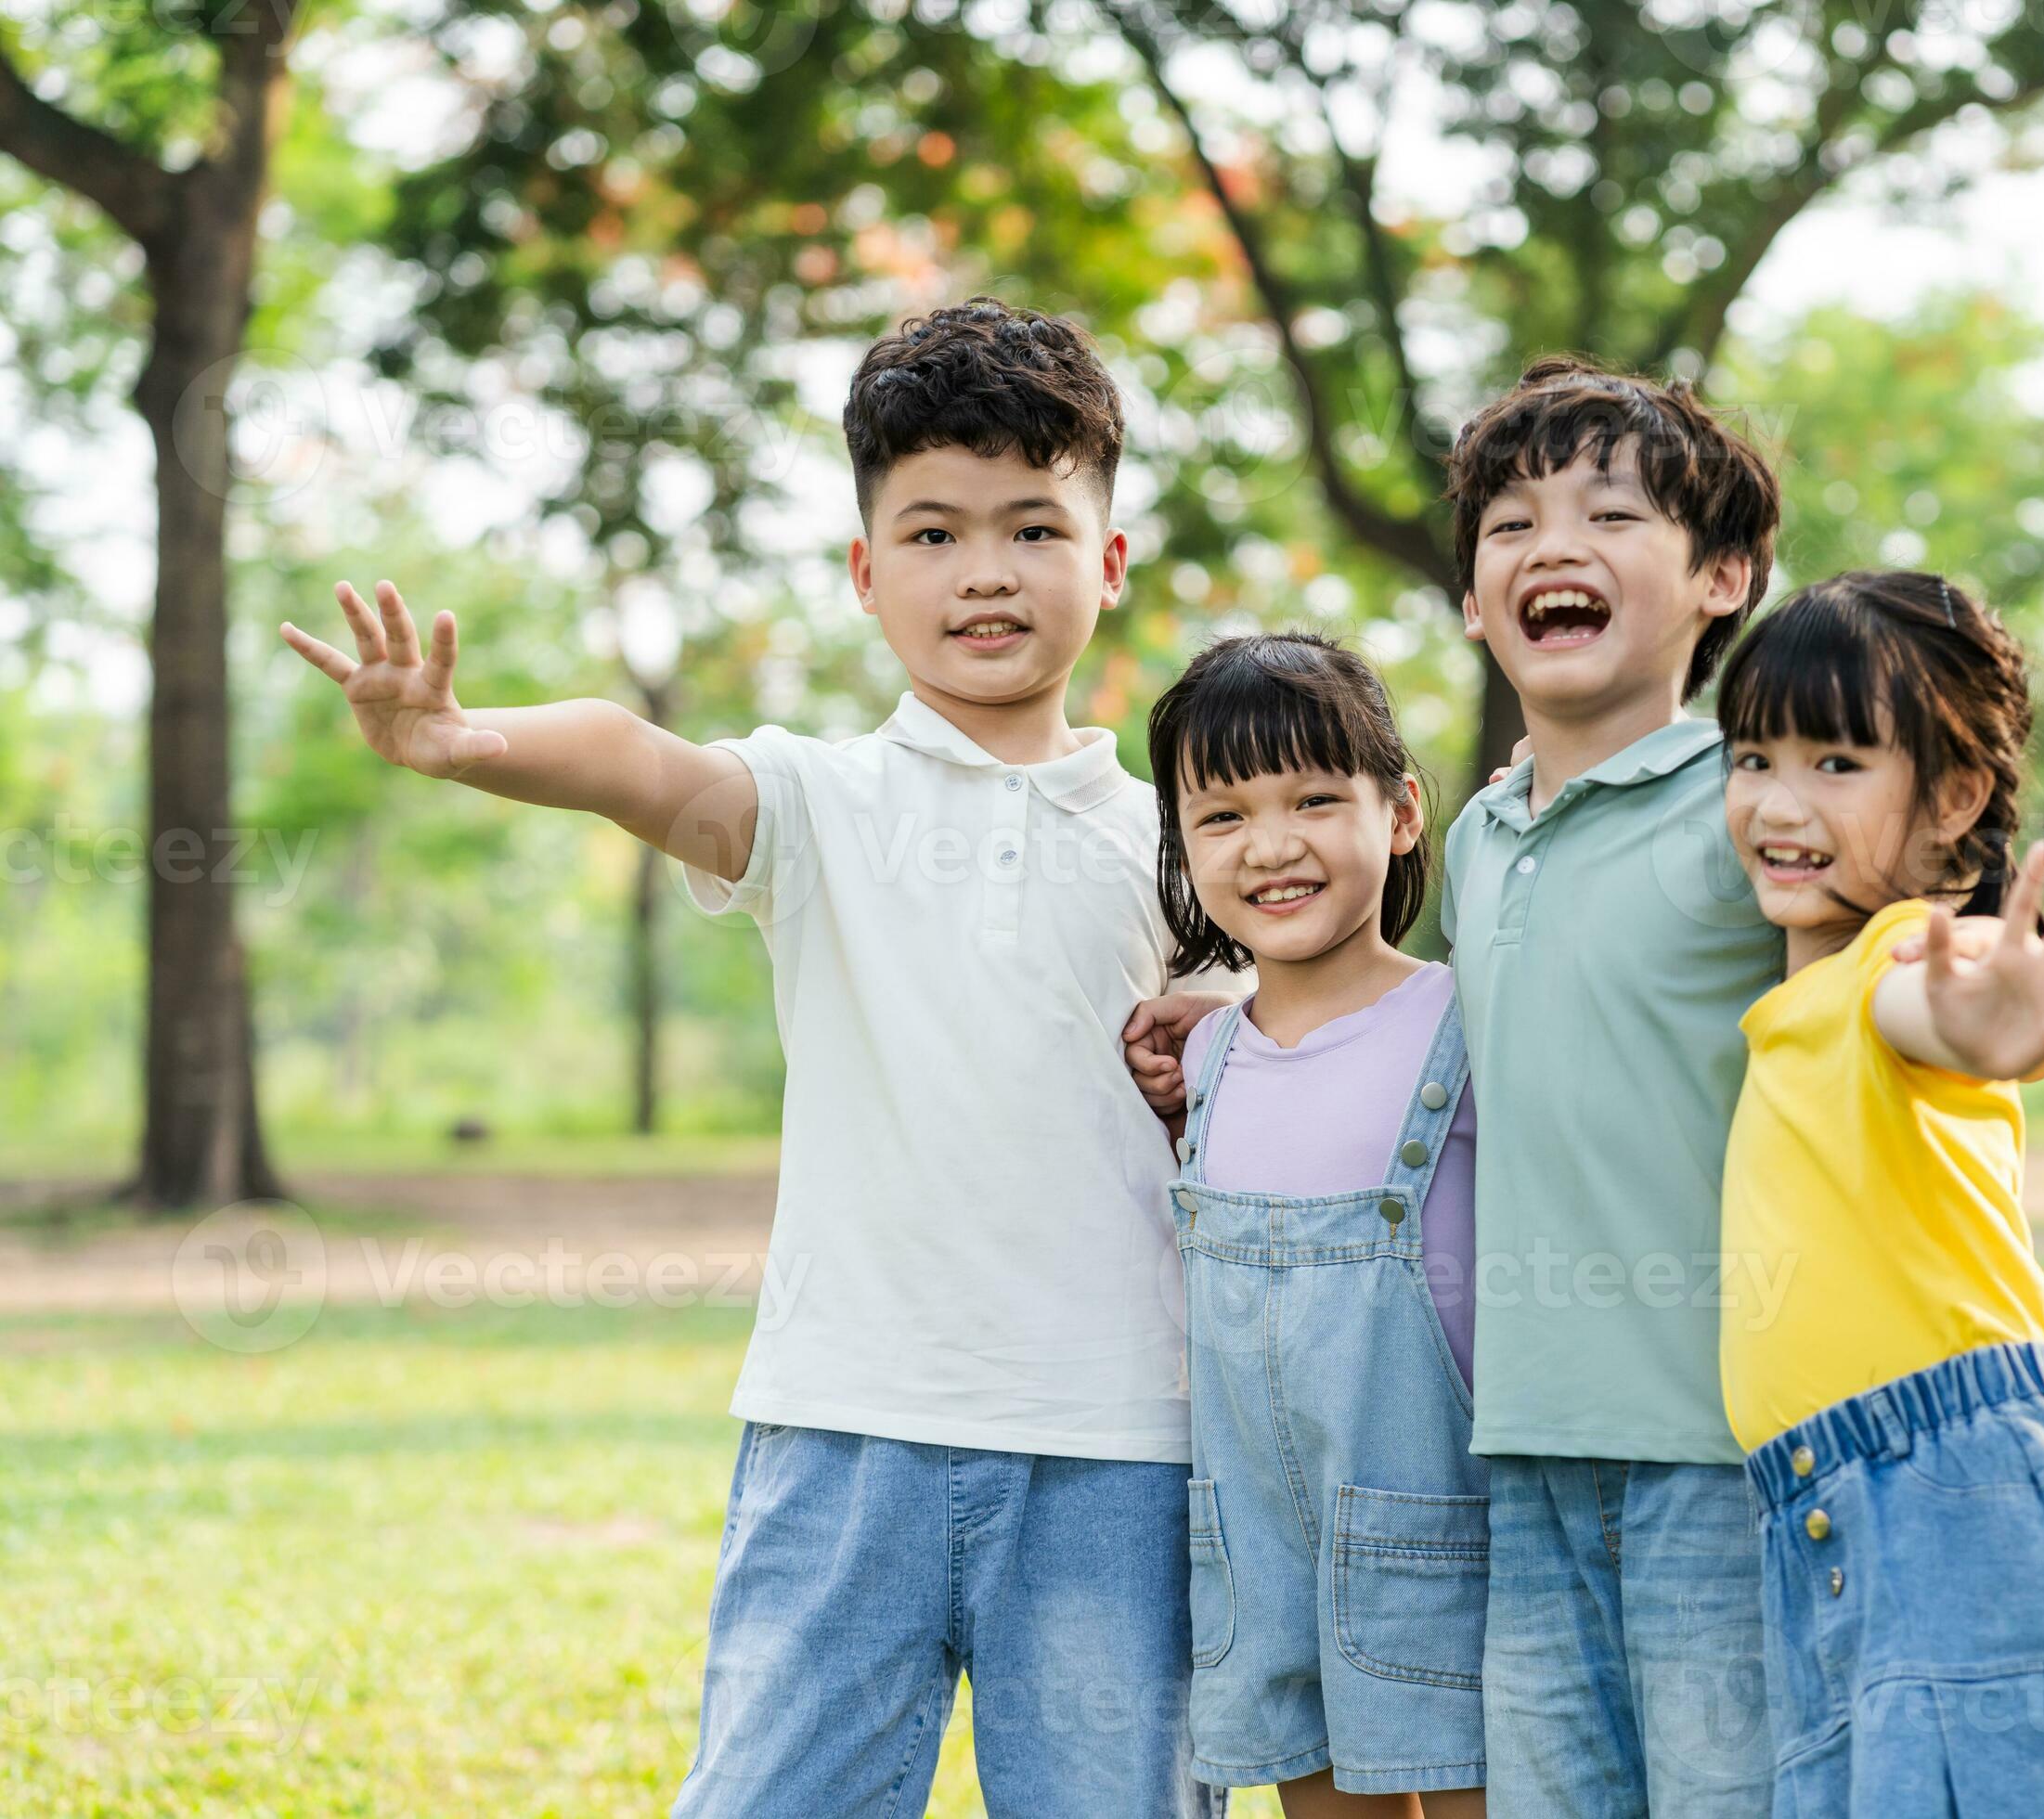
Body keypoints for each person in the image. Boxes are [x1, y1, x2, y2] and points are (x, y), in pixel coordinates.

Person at [282, 298, 1221, 1818]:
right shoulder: (814, 801)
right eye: (930, 534)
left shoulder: (1188, 841)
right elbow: (639, 759)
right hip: (848, 1437)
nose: (984, 570)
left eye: (1033, 528)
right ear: (866, 575)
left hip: (1119, 1446)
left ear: (1108, 563)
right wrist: (465, 742)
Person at [1714, 571, 2044, 1817]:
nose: (1781, 804)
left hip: (1955, 1501)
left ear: (1953, 799)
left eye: (1838, 762)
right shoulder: (1797, 1003)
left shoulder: (1899, 964)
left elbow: (1945, 1000)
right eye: (1753, 758)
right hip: (1833, 1516)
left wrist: (1998, 1012)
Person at [1437, 355, 1787, 1814]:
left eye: (1610, 514)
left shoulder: (1752, 807)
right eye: (1510, 526)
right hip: (1523, 1450)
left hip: (1721, 1451)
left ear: (1722, 576)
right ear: (1471, 600)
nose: (1552, 546)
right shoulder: (1472, 839)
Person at [1145, 632, 1488, 1817]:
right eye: (1223, 814)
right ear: (1183, 849)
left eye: (1314, 798)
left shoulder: (1466, 1020)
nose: (1272, 844)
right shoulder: (1208, 1053)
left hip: (1440, 1533)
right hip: (1259, 1544)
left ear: (1399, 815)